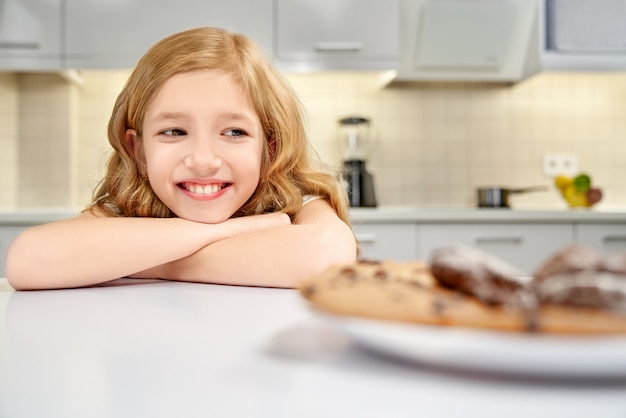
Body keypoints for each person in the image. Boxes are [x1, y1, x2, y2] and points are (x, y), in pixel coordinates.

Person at [6, 27, 357, 290]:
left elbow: (324, 258)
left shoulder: (298, 202)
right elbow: (27, 260)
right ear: (138, 151)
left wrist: (137, 259)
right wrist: (238, 230)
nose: (203, 160)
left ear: (271, 149)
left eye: (234, 132)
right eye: (174, 132)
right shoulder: (129, 205)